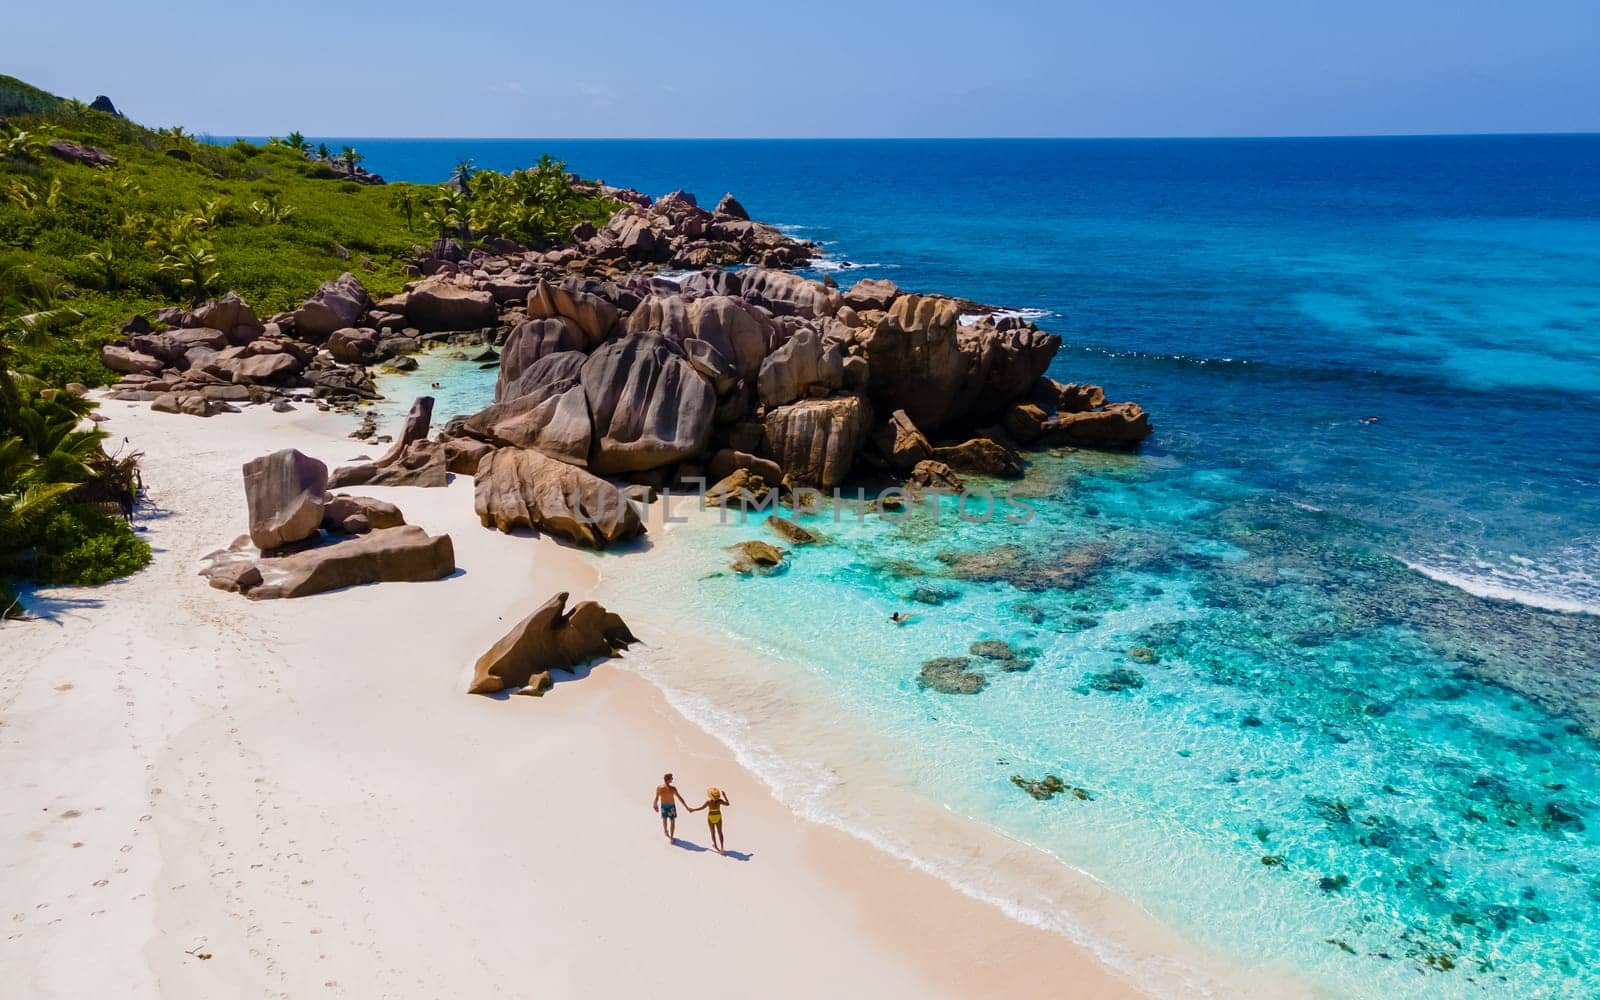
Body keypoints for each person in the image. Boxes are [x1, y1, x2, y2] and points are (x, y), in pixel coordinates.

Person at [690, 787, 732, 855]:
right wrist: (724, 795)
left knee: (713, 832)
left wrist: (693, 810)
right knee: (720, 832)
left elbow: (701, 808)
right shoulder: (719, 801)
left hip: (711, 817)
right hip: (718, 816)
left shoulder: (709, 802)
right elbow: (728, 804)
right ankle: (722, 848)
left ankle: (715, 845)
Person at [653, 773, 691, 843]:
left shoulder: (659, 787)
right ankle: (671, 837)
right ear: (668, 780)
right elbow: (680, 798)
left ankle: (666, 831)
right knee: (672, 821)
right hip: (671, 807)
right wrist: (686, 806)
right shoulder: (673, 788)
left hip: (663, 806)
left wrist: (654, 804)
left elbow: (657, 797)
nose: (672, 779)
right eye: (671, 778)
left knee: (664, 819)